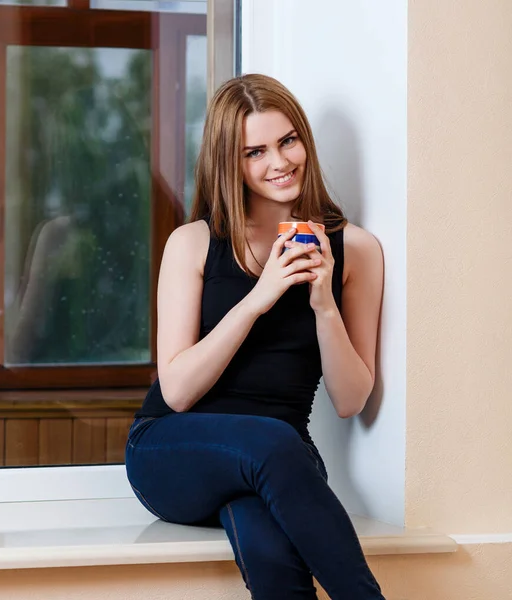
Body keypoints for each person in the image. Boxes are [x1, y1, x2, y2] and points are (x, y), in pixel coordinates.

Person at [125, 73, 385, 600]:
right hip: (173, 450)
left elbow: (351, 399)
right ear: (230, 163)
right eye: (255, 152)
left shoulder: (355, 250)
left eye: (288, 141)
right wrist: (261, 296)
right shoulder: (194, 244)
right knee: (271, 441)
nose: (280, 162)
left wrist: (323, 302)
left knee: (274, 566)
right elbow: (176, 391)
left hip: (278, 462)